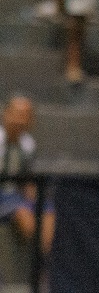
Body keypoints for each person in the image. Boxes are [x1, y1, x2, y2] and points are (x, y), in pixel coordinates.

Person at [0, 95, 54, 256]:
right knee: (23, 213)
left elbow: (27, 178)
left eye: (25, 116)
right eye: (16, 114)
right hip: (4, 197)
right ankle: (42, 263)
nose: (19, 120)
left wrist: (33, 193)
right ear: (5, 114)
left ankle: (49, 262)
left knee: (47, 209)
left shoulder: (28, 145)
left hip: (17, 195)